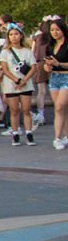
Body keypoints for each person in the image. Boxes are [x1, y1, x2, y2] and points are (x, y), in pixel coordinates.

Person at [0, 23, 36, 145]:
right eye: (11, 34)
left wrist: (24, 80)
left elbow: (33, 67)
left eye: (16, 34)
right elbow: (5, 69)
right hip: (12, 84)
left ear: (21, 36)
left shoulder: (27, 51)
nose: (14, 37)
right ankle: (15, 133)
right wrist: (16, 80)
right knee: (14, 110)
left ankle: (29, 132)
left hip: (25, 83)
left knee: (26, 109)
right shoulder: (6, 52)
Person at [42, 17, 68, 150]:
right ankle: (65, 136)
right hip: (54, 78)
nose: (55, 32)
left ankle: (57, 138)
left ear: (63, 29)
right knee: (62, 110)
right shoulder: (50, 46)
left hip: (66, 77)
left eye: (57, 29)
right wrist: (47, 67)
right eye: (52, 30)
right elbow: (46, 63)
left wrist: (58, 64)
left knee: (59, 107)